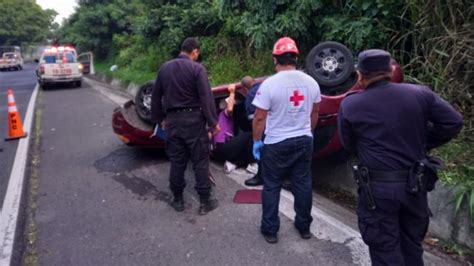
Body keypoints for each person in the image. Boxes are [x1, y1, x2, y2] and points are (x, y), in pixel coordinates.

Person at [338, 49, 463, 265]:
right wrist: (424, 142)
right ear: (390, 70)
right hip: (415, 186)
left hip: (378, 191)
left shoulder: (351, 105)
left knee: (385, 249)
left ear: (360, 75)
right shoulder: (420, 94)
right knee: (412, 247)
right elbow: (453, 122)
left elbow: (348, 144)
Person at [252, 37, 321, 243]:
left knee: (272, 185)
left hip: (276, 143)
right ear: (296, 58)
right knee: (302, 183)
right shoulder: (311, 82)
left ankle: (270, 230)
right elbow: (315, 112)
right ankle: (304, 226)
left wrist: (257, 141)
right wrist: (308, 132)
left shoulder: (270, 84)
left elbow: (259, 117)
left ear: (275, 59)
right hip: (304, 139)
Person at [151, 37, 220, 215]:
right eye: (198, 53)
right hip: (194, 121)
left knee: (177, 161)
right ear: (194, 51)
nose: (198, 56)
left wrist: (159, 119)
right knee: (200, 161)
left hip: (173, 122)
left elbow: (155, 97)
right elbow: (206, 97)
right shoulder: (197, 68)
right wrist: (213, 123)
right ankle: (205, 201)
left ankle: (178, 200)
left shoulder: (164, 69)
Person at [212, 84, 255, 173]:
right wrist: (232, 92)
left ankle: (234, 163)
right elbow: (230, 109)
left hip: (217, 152)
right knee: (250, 135)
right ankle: (250, 163)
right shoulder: (223, 114)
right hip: (223, 147)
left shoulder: (213, 117)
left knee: (245, 143)